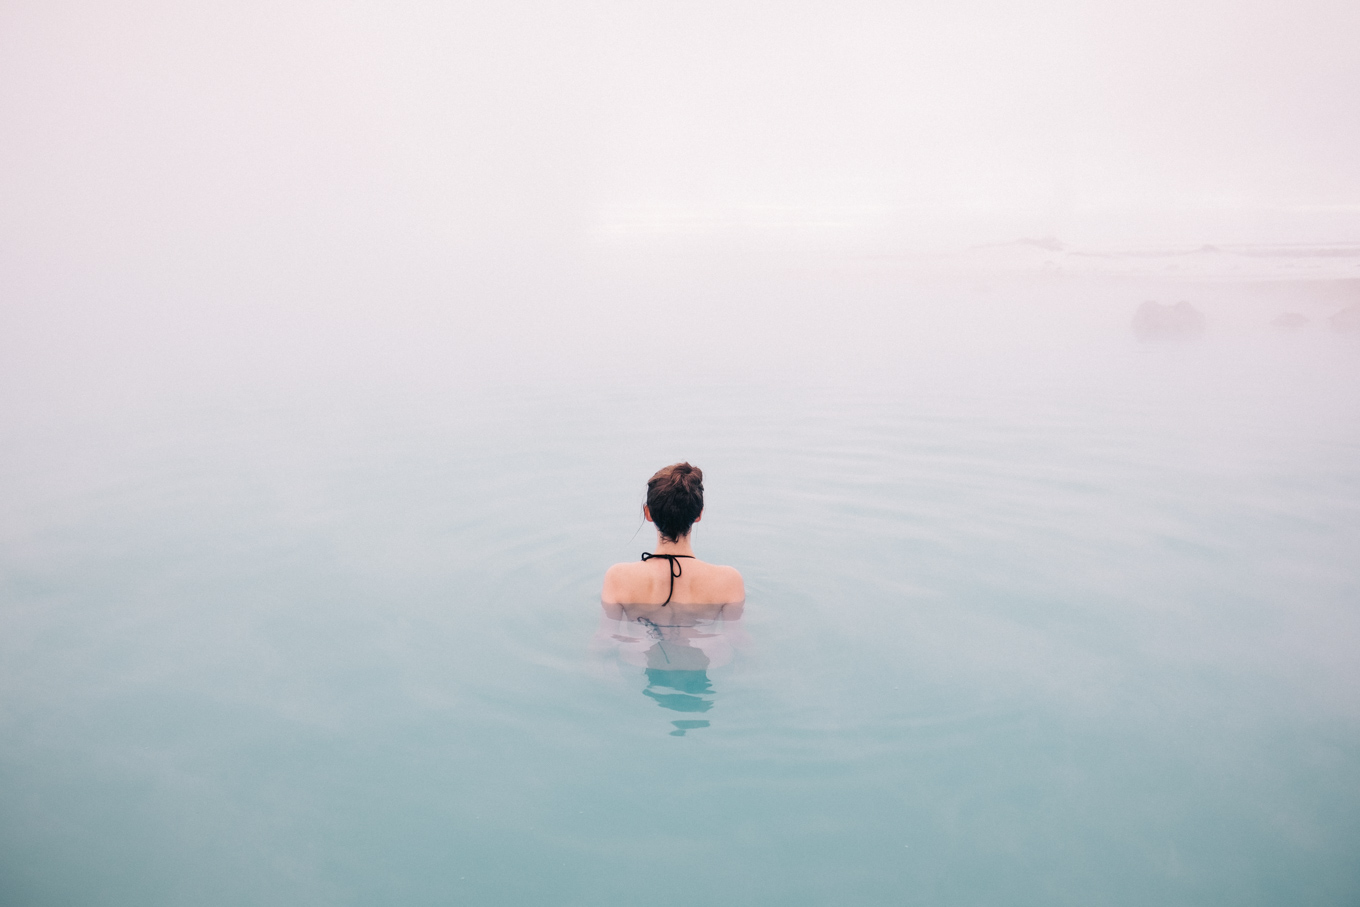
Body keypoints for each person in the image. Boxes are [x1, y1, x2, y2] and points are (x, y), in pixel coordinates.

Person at [600, 462, 744, 618]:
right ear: (699, 514)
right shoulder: (729, 580)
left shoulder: (618, 577)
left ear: (647, 513)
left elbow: (606, 637)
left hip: (641, 642)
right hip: (701, 641)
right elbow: (735, 638)